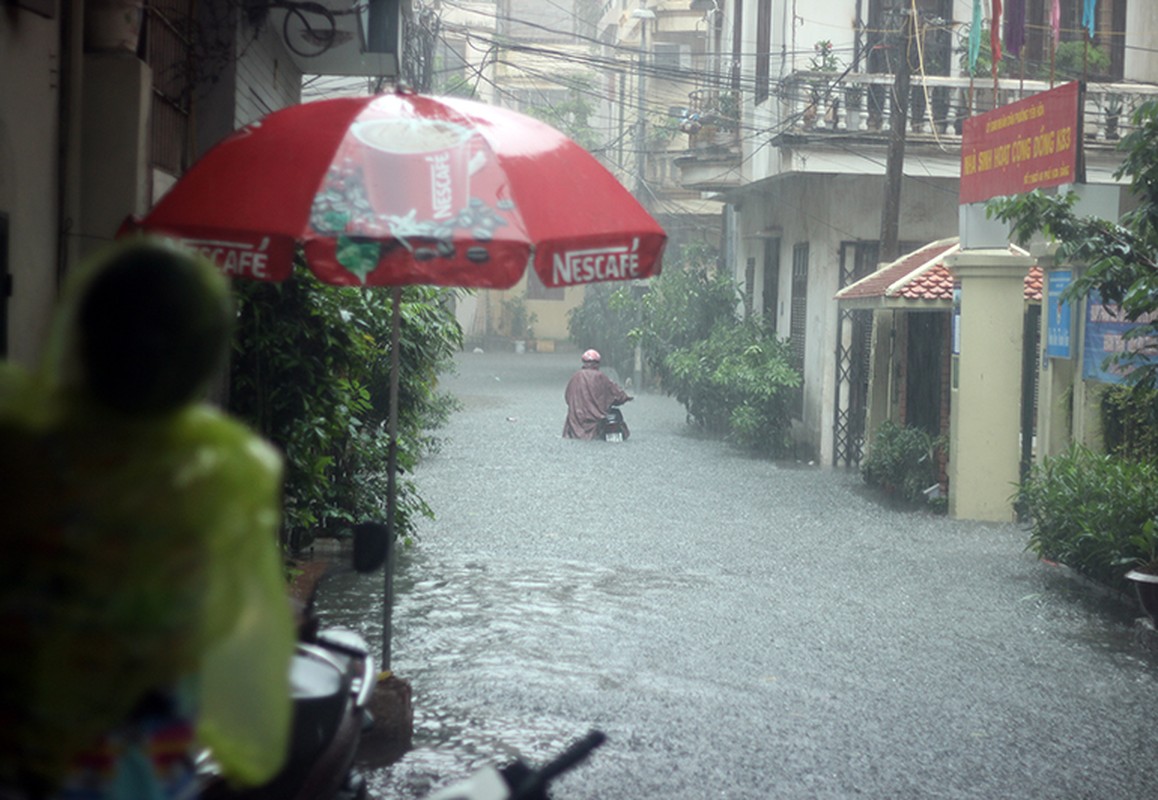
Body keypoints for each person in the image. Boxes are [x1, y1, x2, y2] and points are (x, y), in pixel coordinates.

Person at [0, 239, 294, 799]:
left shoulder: (17, 453)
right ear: (202, 355)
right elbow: (236, 644)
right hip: (139, 778)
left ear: (82, 335)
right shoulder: (215, 483)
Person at [562, 349, 632, 440]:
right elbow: (616, 393)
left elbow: (568, 397)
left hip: (577, 422)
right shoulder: (601, 377)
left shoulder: (575, 377)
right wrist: (625, 397)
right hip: (598, 422)